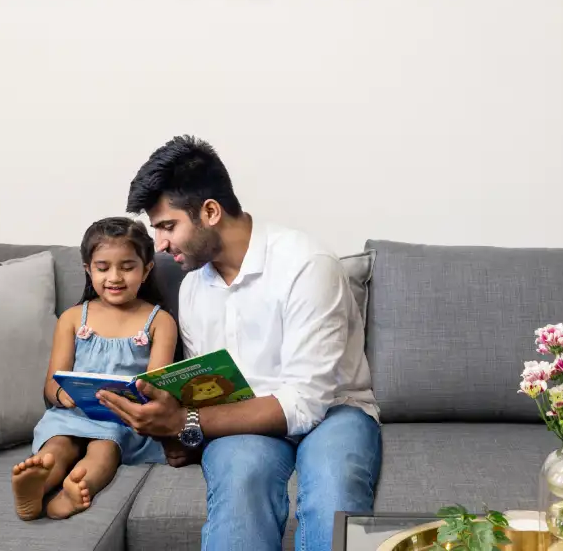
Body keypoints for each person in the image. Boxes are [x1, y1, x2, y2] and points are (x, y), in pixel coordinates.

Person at [96, 135, 380, 551]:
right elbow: (205, 390)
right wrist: (184, 436)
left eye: (168, 226)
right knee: (240, 484)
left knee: (334, 488)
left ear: (210, 211)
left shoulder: (307, 266)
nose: (159, 244)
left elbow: (306, 403)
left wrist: (185, 422)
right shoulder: (194, 286)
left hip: (335, 409)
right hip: (242, 418)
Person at [11, 217, 179, 521]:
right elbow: (52, 384)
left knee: (104, 449)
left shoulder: (159, 322)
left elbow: (158, 387)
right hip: (72, 414)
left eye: (127, 267)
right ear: (88, 269)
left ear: (147, 270)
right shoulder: (74, 318)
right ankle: (36, 486)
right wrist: (65, 396)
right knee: (58, 445)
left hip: (123, 420)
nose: (115, 277)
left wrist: (136, 399)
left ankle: (74, 490)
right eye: (103, 268)